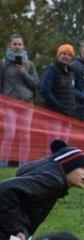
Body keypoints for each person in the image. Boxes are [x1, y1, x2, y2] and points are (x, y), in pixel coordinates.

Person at [0, 34, 40, 167]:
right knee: (10, 133)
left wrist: (24, 72)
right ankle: (3, 165)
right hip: (9, 103)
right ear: (10, 46)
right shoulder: (3, 63)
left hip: (26, 104)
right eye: (14, 44)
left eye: (19, 44)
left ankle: (23, 166)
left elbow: (35, 85)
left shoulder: (29, 64)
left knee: (25, 136)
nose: (17, 47)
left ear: (23, 46)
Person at [40, 44, 77, 143]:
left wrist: (72, 107)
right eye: (64, 53)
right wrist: (58, 105)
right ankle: (52, 159)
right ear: (58, 55)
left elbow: (72, 91)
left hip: (68, 114)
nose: (66, 56)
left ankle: (62, 159)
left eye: (69, 55)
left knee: (64, 143)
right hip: (54, 113)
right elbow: (44, 90)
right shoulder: (51, 70)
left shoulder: (71, 73)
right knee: (54, 142)